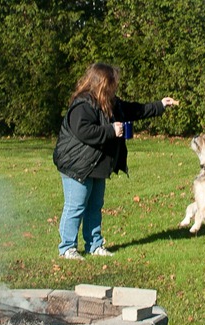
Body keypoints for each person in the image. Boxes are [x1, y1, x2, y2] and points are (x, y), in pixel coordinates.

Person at [53, 62, 178, 260]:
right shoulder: (83, 105)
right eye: (113, 83)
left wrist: (160, 105)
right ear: (103, 84)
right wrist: (111, 130)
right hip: (76, 164)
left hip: (96, 164)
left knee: (95, 206)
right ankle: (67, 248)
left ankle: (95, 245)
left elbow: (134, 110)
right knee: (76, 206)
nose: (116, 87)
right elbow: (84, 131)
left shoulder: (110, 102)